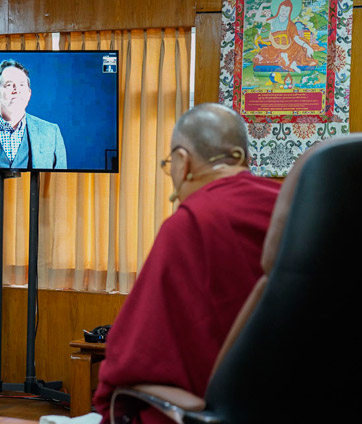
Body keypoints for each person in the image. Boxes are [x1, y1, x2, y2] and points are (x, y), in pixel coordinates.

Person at [93, 103, 281, 424]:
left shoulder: (191, 224)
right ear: (242, 157)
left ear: (182, 162)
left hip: (217, 409)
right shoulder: (289, 211)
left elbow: (131, 356)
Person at [0, 59, 67, 169]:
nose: (16, 90)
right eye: (9, 85)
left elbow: (60, 182)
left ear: (29, 93)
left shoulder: (51, 133)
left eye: (21, 85)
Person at [253, 0, 322, 73]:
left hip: (289, 47)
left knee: (303, 45)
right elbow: (257, 19)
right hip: (275, 47)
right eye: (282, 10)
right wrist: (263, 5)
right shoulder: (272, 21)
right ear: (278, 9)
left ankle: (289, 60)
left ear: (290, 12)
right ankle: (288, 61)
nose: (284, 12)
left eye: (287, 11)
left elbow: (296, 39)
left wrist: (308, 47)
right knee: (263, 54)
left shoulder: (291, 25)